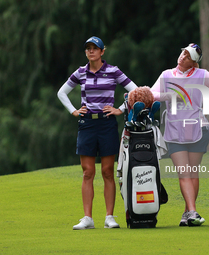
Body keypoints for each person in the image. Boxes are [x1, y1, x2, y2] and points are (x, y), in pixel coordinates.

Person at [57, 36, 137, 230]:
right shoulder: (81, 72)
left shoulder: (113, 71)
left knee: (107, 171)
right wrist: (74, 111)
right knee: (88, 172)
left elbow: (135, 90)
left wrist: (120, 109)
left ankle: (109, 217)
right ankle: (87, 218)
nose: (91, 51)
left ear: (102, 52)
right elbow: (62, 93)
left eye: (95, 48)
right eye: (88, 48)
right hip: (87, 124)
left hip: (107, 124)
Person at [151, 43, 209, 226]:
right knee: (184, 173)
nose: (183, 57)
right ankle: (192, 212)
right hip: (174, 129)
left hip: (198, 128)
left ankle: (188, 213)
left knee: (192, 173)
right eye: (183, 52)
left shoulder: (201, 75)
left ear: (193, 63)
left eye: (188, 56)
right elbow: (151, 94)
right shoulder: (167, 75)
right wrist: (170, 95)